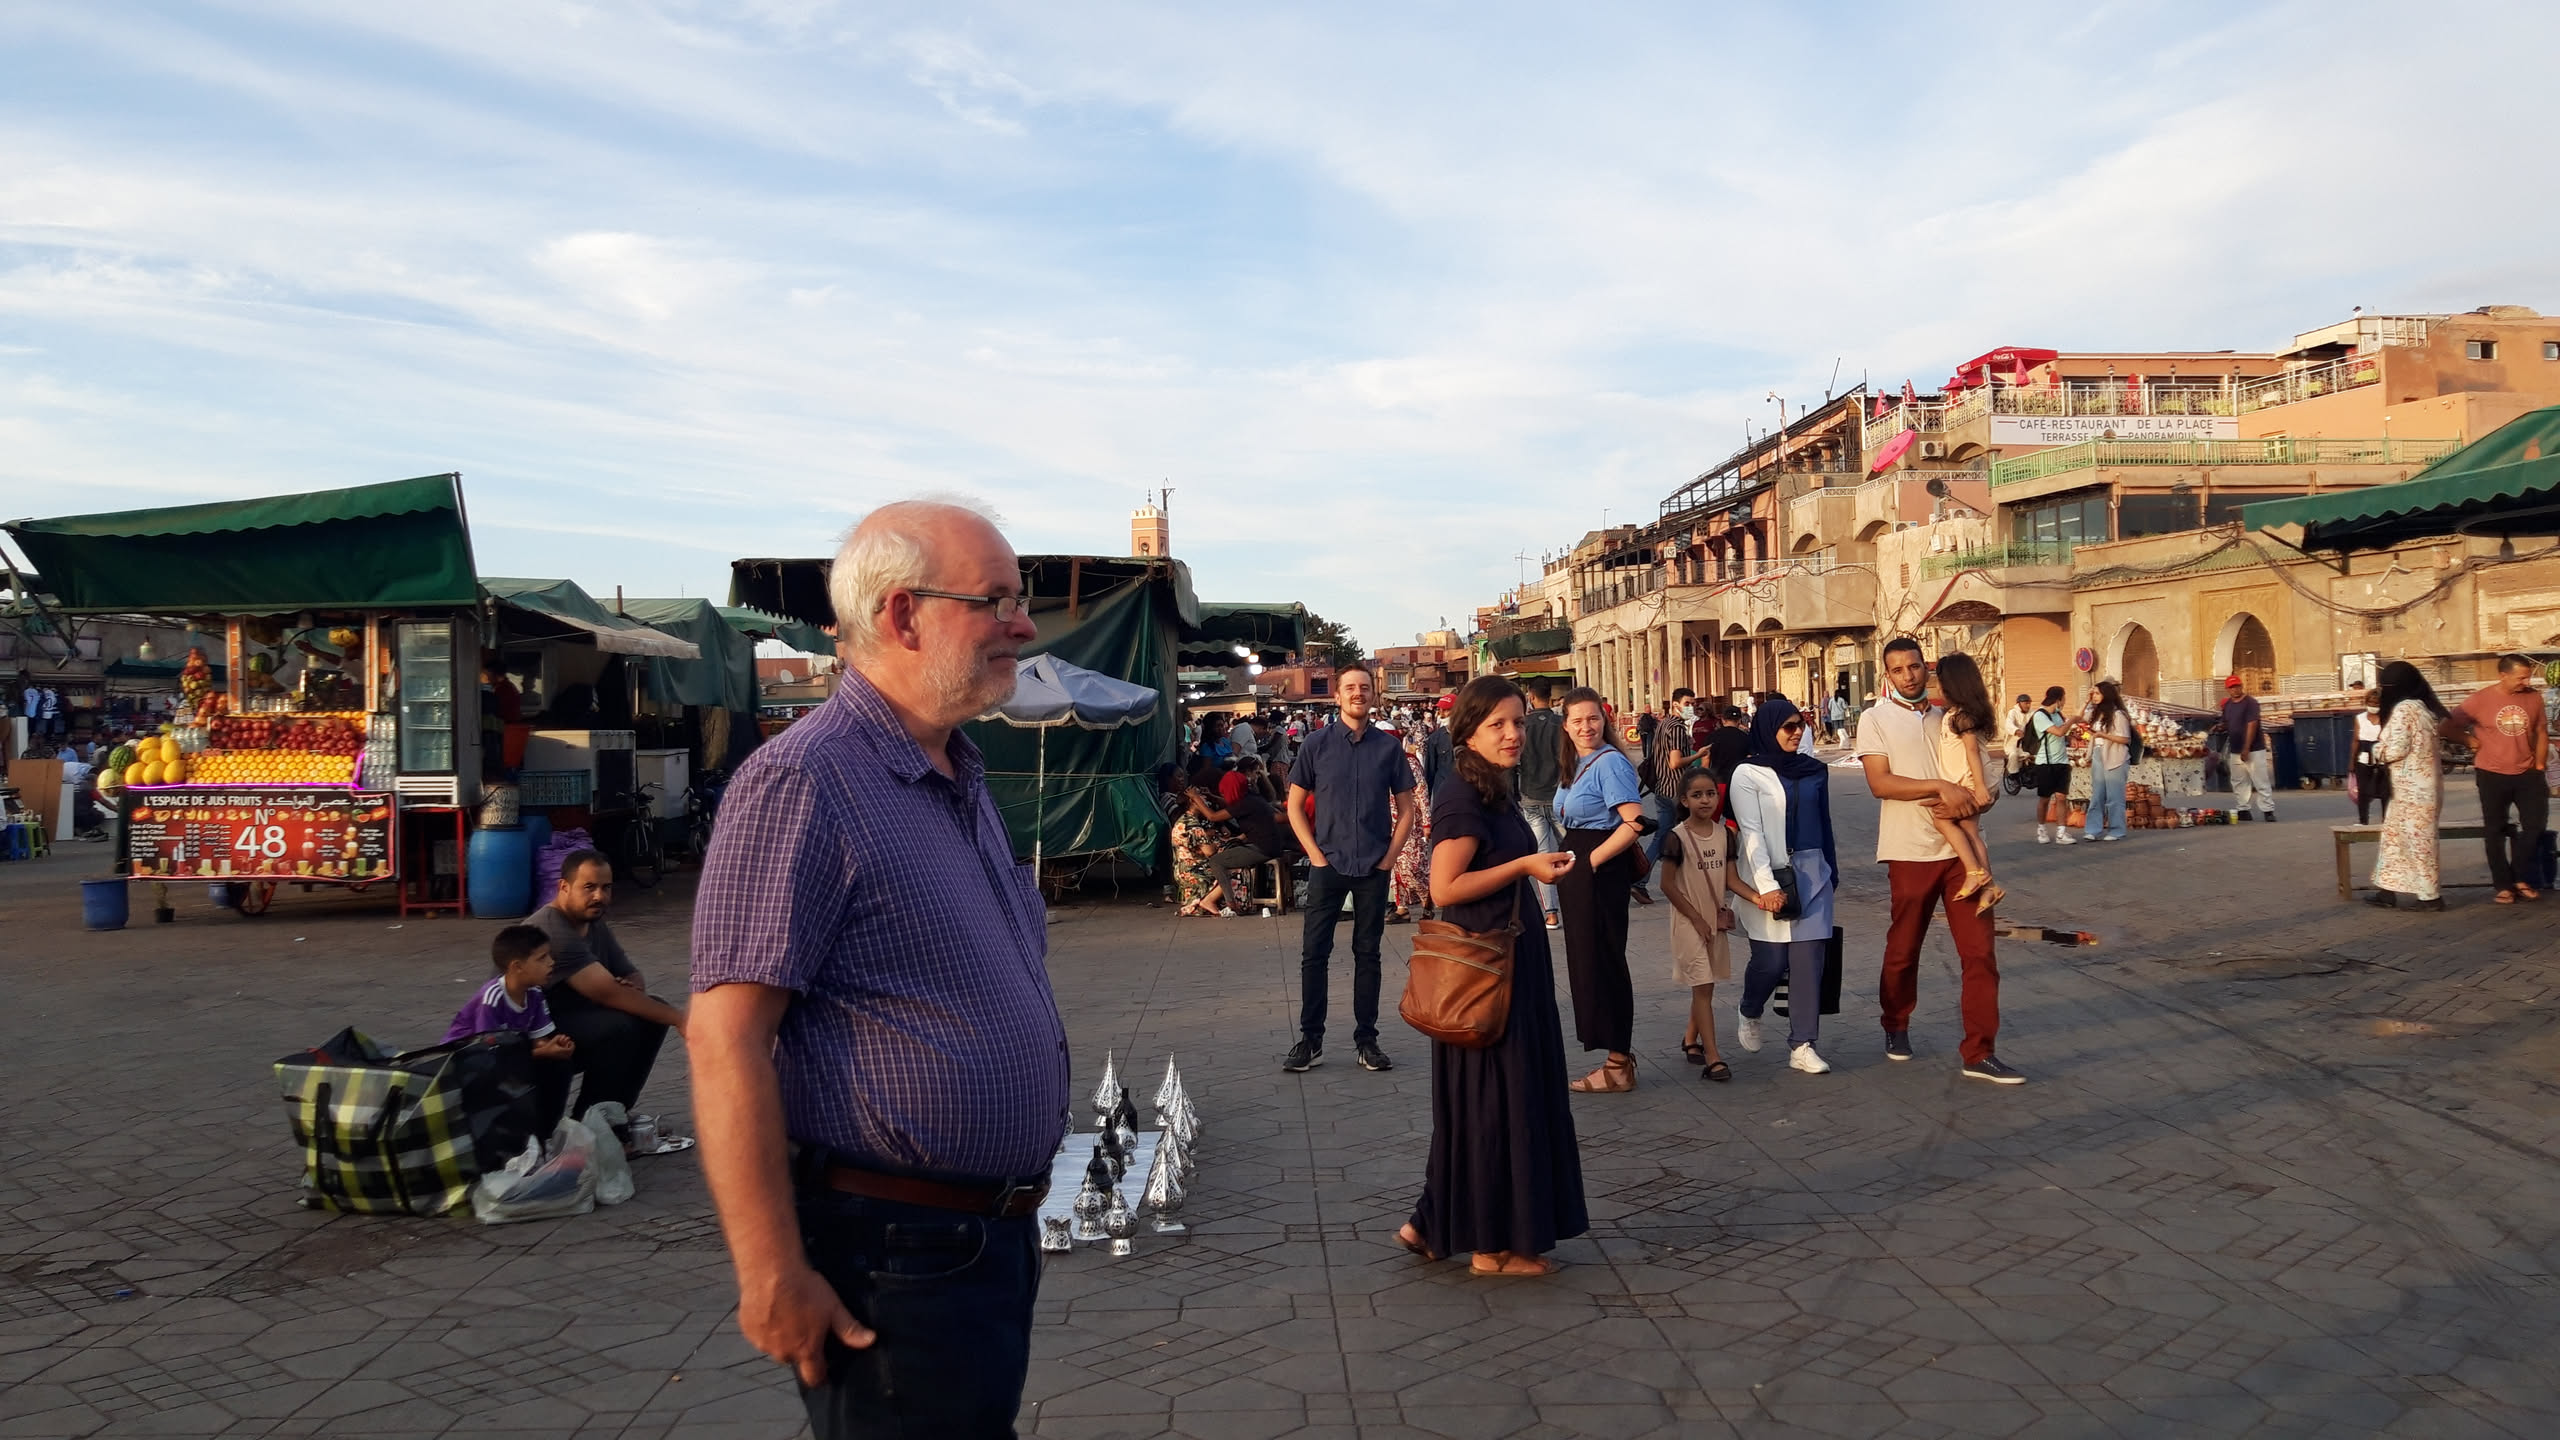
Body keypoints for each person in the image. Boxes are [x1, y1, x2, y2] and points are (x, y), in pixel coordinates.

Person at [689, 499, 1066, 1438]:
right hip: (892, 1256)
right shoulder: (805, 781)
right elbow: (726, 1038)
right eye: (997, 601)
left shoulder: (956, 772)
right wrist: (771, 1271)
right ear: (903, 615)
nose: (1023, 626)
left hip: (982, 1241)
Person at [1393, 676, 1586, 1276]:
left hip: (1507, 961)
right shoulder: (1462, 795)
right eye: (1497, 724)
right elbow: (1445, 886)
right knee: (1496, 1100)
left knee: (1486, 1098)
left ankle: (1432, 1222)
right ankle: (1490, 1248)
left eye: (1518, 722)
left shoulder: (1490, 787)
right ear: (1468, 733)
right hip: (1484, 970)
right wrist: (1526, 864)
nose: (1512, 734)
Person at [1857, 637, 2020, 1083]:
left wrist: (1979, 799)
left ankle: (1979, 1051)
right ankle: (1895, 1022)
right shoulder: (1875, 719)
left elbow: (1978, 775)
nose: (1908, 676)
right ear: (1887, 675)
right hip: (1909, 849)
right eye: (1898, 670)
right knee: (1904, 948)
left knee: (1980, 954)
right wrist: (1939, 787)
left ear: (1926, 669)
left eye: (1914, 667)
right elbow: (1880, 783)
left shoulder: (1951, 716)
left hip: (1963, 857)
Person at [1285, 662, 1417, 1074]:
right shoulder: (1316, 745)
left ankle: (1367, 1040)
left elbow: (1407, 809)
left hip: (1373, 866)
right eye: (1350, 688)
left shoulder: (1388, 748)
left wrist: (1390, 857)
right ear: (1337, 695)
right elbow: (1294, 805)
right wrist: (1315, 854)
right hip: (1328, 864)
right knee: (1314, 954)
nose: (1358, 693)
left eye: (1364, 687)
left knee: (1368, 954)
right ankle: (1311, 1039)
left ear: (1373, 694)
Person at [530, 851, 686, 1121]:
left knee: (651, 1013)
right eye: (589, 887)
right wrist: (682, 1020)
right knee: (618, 1028)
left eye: (606, 887)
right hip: (532, 1035)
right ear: (563, 887)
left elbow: (630, 974)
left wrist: (631, 985)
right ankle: (591, 1121)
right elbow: (607, 993)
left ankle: (614, 1116)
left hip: (570, 1018)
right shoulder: (553, 931)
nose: (599, 896)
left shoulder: (593, 922)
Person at [1728, 698, 1839, 1075]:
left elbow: (1824, 822)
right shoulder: (1747, 773)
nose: (1796, 732)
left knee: (1809, 961)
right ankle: (1750, 1008)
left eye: (1800, 725)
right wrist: (1766, 886)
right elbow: (1751, 833)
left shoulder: (1815, 770)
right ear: (1768, 729)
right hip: (1768, 873)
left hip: (1813, 871)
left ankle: (1803, 1044)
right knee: (1771, 961)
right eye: (1788, 726)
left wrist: (1831, 872)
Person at [1553, 685, 1646, 1093]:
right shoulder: (1575, 762)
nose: (1586, 726)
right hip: (1579, 867)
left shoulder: (1609, 763)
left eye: (1593, 718)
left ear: (1604, 720)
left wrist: (1590, 862)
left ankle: (1618, 1063)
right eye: (1577, 720)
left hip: (1598, 870)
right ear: (1565, 726)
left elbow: (1634, 822)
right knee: (1588, 961)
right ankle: (1614, 1056)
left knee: (1604, 960)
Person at [443, 924, 578, 1134]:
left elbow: (538, 1038)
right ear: (517, 966)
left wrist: (553, 1045)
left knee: (559, 1066)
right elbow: (488, 1054)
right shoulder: (492, 999)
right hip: (466, 1066)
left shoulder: (535, 993)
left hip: (507, 1057)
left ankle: (544, 1135)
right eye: (542, 958)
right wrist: (543, 1051)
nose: (551, 962)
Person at [2442, 655, 2550, 904]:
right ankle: (2503, 885)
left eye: (2528, 677)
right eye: (2521, 677)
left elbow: (2541, 731)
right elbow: (2445, 727)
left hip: (2528, 773)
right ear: (2503, 675)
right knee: (2495, 829)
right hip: (2492, 773)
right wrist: (2469, 740)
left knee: (2535, 826)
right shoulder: (2480, 700)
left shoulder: (2533, 697)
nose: (2526, 682)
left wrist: (2540, 765)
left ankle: (2519, 877)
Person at [1657, 766, 1736, 1083]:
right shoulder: (1676, 837)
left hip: (1714, 922)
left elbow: (1732, 880)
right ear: (1684, 800)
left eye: (1710, 794)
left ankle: (1691, 1037)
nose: (1705, 800)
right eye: (1697, 794)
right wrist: (1696, 918)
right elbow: (1667, 885)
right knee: (1702, 985)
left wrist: (1761, 898)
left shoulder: (1725, 835)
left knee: (1706, 985)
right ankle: (1713, 1057)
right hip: (1689, 922)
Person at [2369, 661, 2448, 911]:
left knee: (2418, 842)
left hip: (2413, 791)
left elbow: (2397, 749)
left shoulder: (2404, 709)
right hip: (2417, 788)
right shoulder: (2424, 708)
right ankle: (2387, 890)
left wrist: (2376, 751)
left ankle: (2430, 897)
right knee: (2394, 839)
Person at [1930, 653, 2005, 909]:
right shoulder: (1957, 713)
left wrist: (1980, 787)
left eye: (1940, 682)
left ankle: (1974, 872)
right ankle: (1990, 888)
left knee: (1942, 820)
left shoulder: (1961, 717)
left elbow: (1972, 751)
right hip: (1972, 781)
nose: (1937, 688)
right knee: (1971, 832)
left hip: (1972, 782)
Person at [1517, 678, 1566, 930]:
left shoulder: (1523, 726)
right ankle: (1578, 902)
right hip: (1560, 795)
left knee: (1542, 856)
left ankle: (1551, 913)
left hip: (1531, 796)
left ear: (1531, 696)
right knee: (1571, 851)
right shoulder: (1561, 724)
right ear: (1550, 695)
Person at [1640, 690, 1695, 900]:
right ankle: (1687, 882)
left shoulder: (1663, 724)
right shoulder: (1677, 728)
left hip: (1662, 788)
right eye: (1687, 703)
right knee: (1689, 836)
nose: (1690, 707)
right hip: (1676, 789)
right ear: (1675, 704)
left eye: (1692, 703)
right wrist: (1699, 754)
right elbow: (1675, 762)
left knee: (1662, 836)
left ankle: (1640, 880)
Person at [1167, 764, 1238, 917]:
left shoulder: (1191, 820)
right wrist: (1218, 841)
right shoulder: (1190, 824)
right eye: (1201, 799)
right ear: (1194, 802)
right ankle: (1209, 900)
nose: (1205, 801)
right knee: (1234, 870)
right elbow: (1209, 851)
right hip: (1193, 869)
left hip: (1187, 867)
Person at [1390, 730, 1435, 924]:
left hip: (1411, 823)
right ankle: (1402, 908)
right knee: (1394, 867)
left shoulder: (1409, 763)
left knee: (1413, 866)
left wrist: (1426, 822)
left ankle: (1428, 901)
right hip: (1388, 822)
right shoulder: (1378, 764)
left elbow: (1422, 793)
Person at [2081, 679, 2132, 843]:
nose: (2094, 696)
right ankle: (2092, 830)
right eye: (2093, 693)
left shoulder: (2118, 715)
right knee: (2097, 794)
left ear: (2106, 694)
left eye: (2097, 693)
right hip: (2098, 754)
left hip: (2115, 756)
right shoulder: (2096, 713)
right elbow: (2078, 718)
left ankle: (2117, 830)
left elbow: (2125, 738)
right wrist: (2086, 701)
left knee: (2114, 796)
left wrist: (2103, 735)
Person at [2220, 676, 2276, 822]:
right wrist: (2220, 727)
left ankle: (2268, 810)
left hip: (2254, 749)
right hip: (2235, 748)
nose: (2235, 689)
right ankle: (2243, 809)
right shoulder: (2228, 705)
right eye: (2231, 687)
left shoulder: (2250, 703)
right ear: (2227, 689)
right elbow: (2227, 722)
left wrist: (2246, 748)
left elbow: (2252, 725)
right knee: (2239, 780)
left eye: (2237, 686)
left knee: (2260, 780)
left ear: (2241, 686)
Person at [2027, 687, 2074, 845]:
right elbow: (2059, 732)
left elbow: (2065, 732)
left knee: (2061, 797)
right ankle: (2041, 829)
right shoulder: (2040, 715)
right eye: (2064, 698)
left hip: (2062, 762)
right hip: (2045, 763)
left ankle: (2061, 832)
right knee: (2045, 799)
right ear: (2058, 699)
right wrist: (2071, 721)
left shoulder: (2058, 714)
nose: (2065, 702)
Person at [2353, 689, 2393, 826]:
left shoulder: (2387, 719)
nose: (2373, 706)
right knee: (2363, 791)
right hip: (2364, 759)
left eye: (2376, 703)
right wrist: (2351, 762)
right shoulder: (2360, 718)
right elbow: (2355, 741)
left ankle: (2386, 820)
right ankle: (2363, 820)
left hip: (2382, 759)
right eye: (2370, 703)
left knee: (2386, 792)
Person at [1703, 706, 1752, 786]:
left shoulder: (1712, 737)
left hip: (1718, 781)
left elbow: (1706, 761)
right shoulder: (1746, 737)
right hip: (1739, 780)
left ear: (1723, 720)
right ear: (1739, 720)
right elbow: (1750, 759)